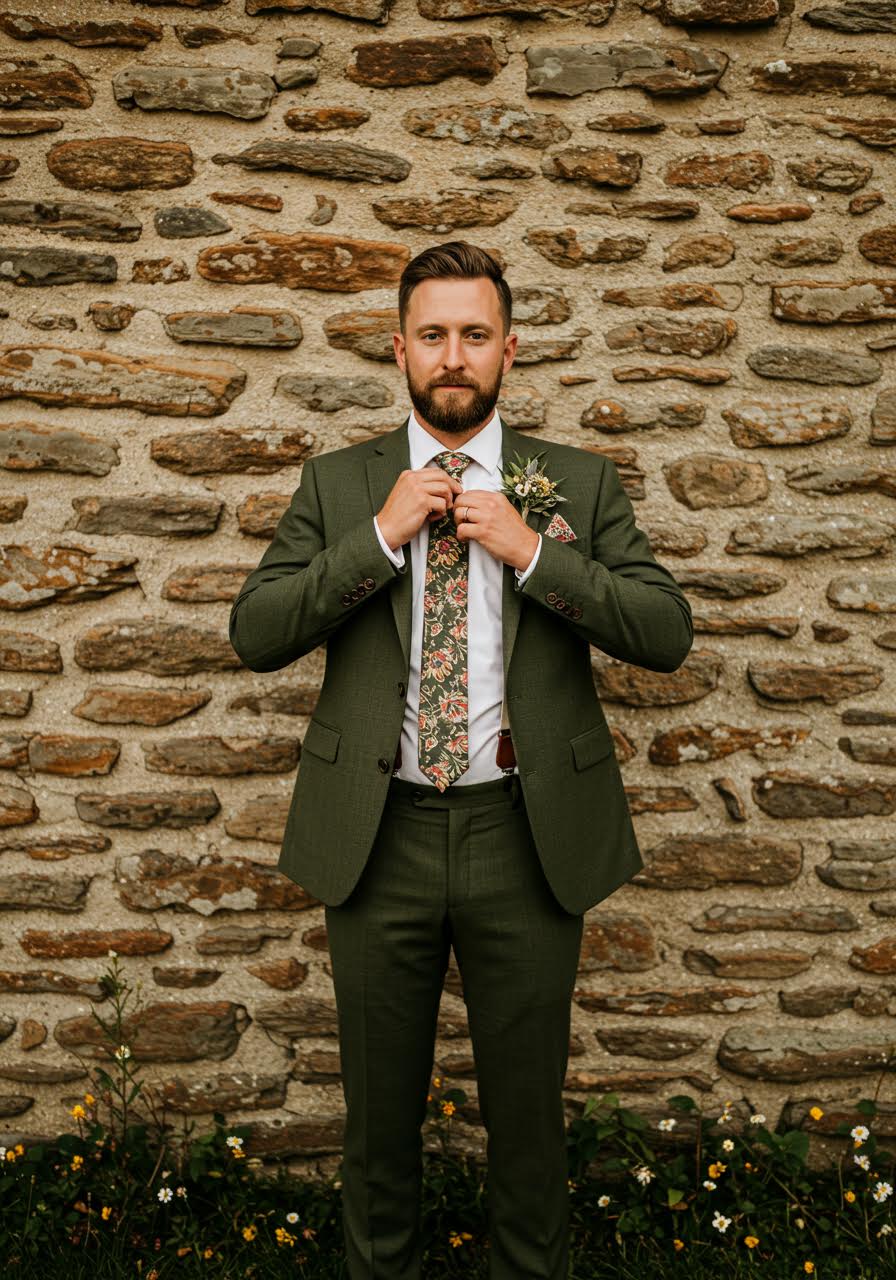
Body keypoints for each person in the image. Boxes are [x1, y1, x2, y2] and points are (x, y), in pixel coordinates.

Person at [229, 241, 693, 1280]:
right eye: (432, 333)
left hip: (522, 834)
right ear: (398, 347)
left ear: (508, 350)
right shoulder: (340, 481)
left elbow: (664, 631)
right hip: (378, 829)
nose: (453, 355)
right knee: (375, 1124)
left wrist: (534, 551)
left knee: (527, 1126)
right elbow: (254, 630)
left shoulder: (574, 480)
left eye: (473, 334)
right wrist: (378, 539)